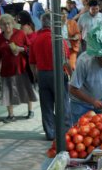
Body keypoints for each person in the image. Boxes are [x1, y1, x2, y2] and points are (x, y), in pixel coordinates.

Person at [29, 13, 71, 141]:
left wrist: (36, 76)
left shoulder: (35, 39)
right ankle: (66, 132)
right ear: (53, 24)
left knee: (46, 106)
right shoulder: (58, 39)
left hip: (42, 74)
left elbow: (32, 62)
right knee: (63, 103)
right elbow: (66, 60)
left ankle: (50, 132)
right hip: (57, 74)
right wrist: (71, 74)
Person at [0, 14, 36, 122]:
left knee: (26, 90)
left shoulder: (20, 33)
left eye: (8, 23)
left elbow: (30, 48)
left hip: (21, 68)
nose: (7, 26)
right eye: (4, 24)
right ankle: (11, 115)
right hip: (6, 70)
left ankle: (30, 111)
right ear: (1, 26)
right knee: (8, 93)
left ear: (12, 23)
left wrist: (20, 49)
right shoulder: (0, 39)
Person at [61, 6, 81, 71]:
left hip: (71, 47)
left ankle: (72, 79)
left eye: (65, 13)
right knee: (63, 67)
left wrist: (76, 37)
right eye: (62, 13)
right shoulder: (57, 25)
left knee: (71, 66)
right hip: (61, 48)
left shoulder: (72, 22)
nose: (64, 15)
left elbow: (78, 34)